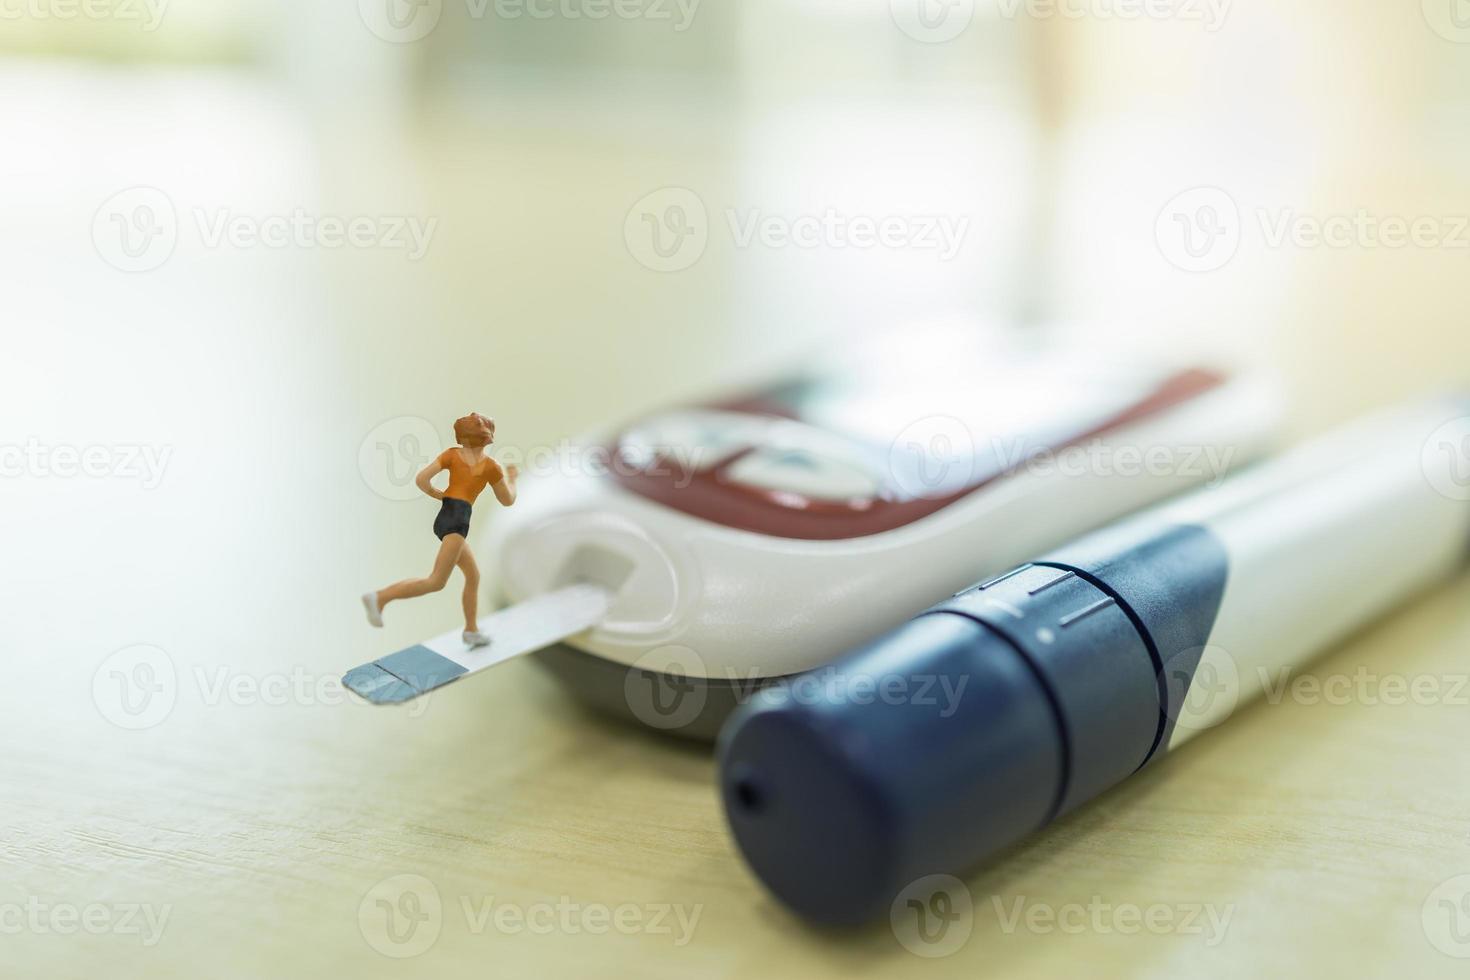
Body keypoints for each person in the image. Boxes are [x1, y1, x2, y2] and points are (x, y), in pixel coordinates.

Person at [362, 412, 518, 647]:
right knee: (436, 581)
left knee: (472, 576)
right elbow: (507, 500)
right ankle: (380, 598)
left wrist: (441, 495)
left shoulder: (452, 455)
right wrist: (513, 479)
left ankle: (471, 630)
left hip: (447, 515)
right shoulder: (490, 467)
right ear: (487, 436)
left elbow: (421, 479)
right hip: (457, 522)